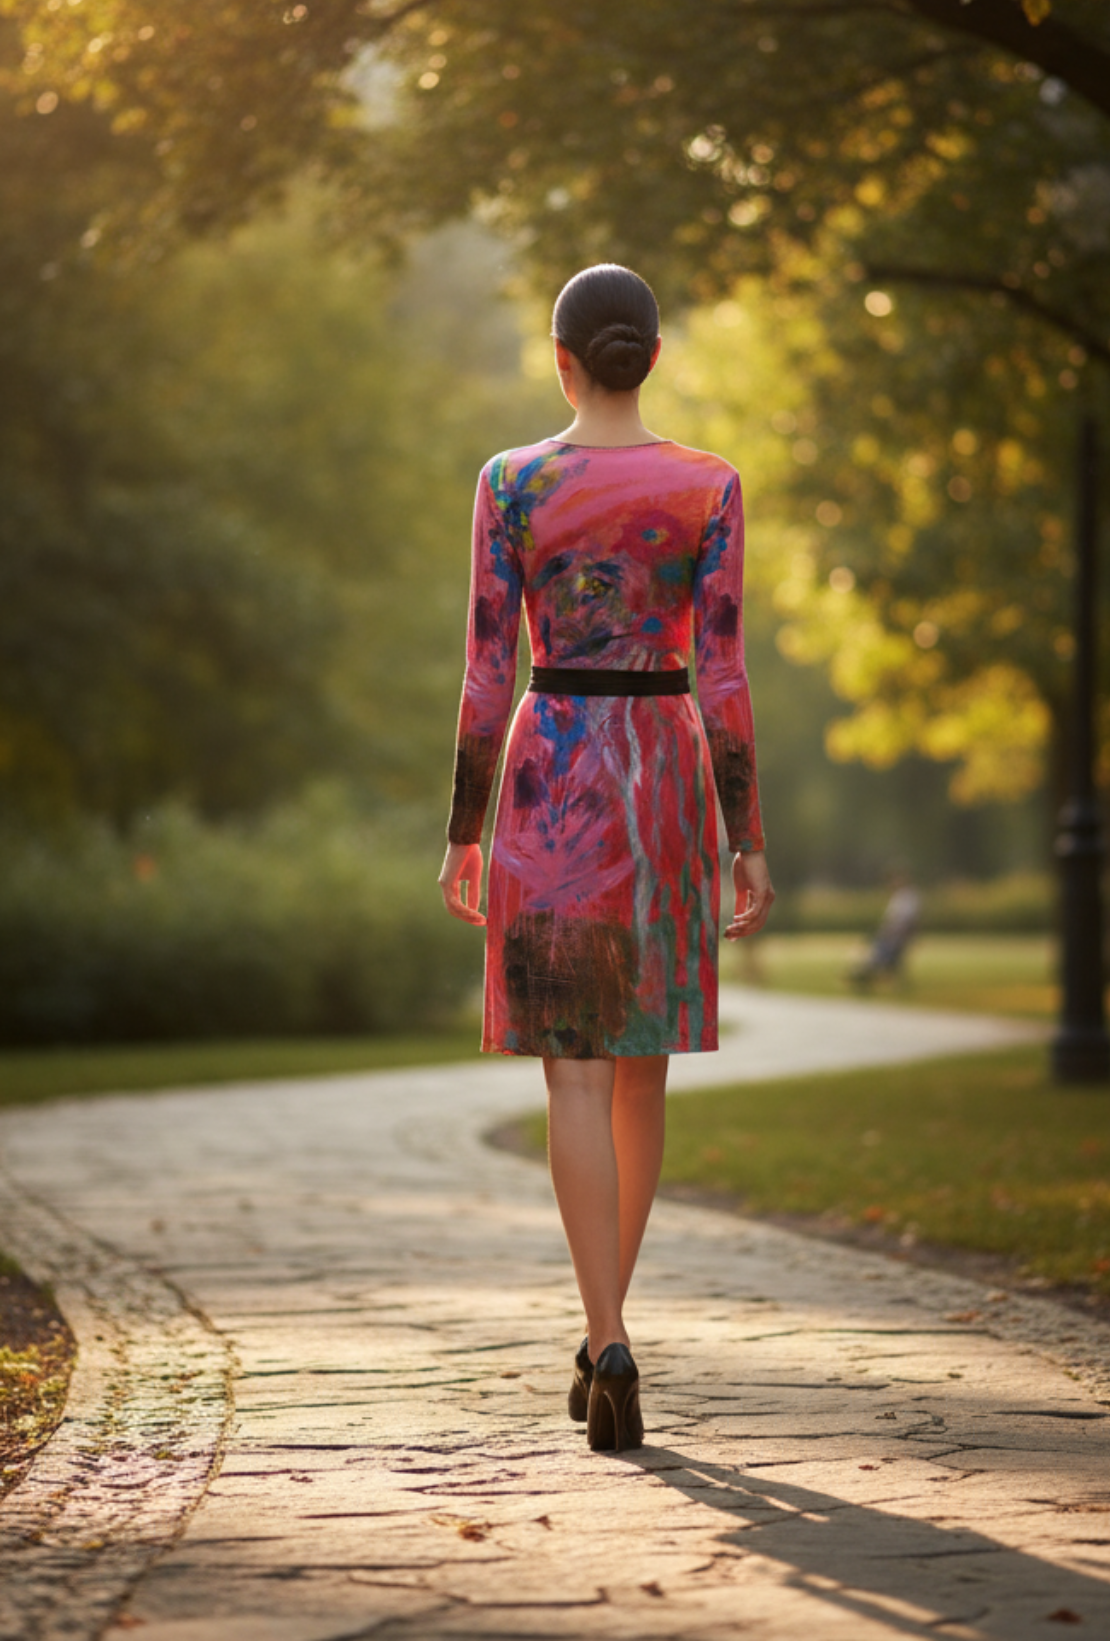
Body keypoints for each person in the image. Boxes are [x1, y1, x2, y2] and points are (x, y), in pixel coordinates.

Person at [438, 263, 774, 1453]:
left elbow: (488, 670)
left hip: (549, 774)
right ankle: (606, 1332)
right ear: (656, 354)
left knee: (572, 1074)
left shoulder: (511, 483)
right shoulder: (710, 486)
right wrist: (747, 834)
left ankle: (608, 1334)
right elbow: (724, 672)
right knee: (641, 1072)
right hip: (667, 782)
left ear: (562, 356)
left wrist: (467, 824)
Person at [848, 869, 922, 988]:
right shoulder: (899, 896)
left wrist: (899, 932)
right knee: (886, 957)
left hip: (898, 934)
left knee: (888, 956)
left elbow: (908, 919)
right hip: (890, 933)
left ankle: (868, 975)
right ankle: (872, 975)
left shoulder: (909, 897)